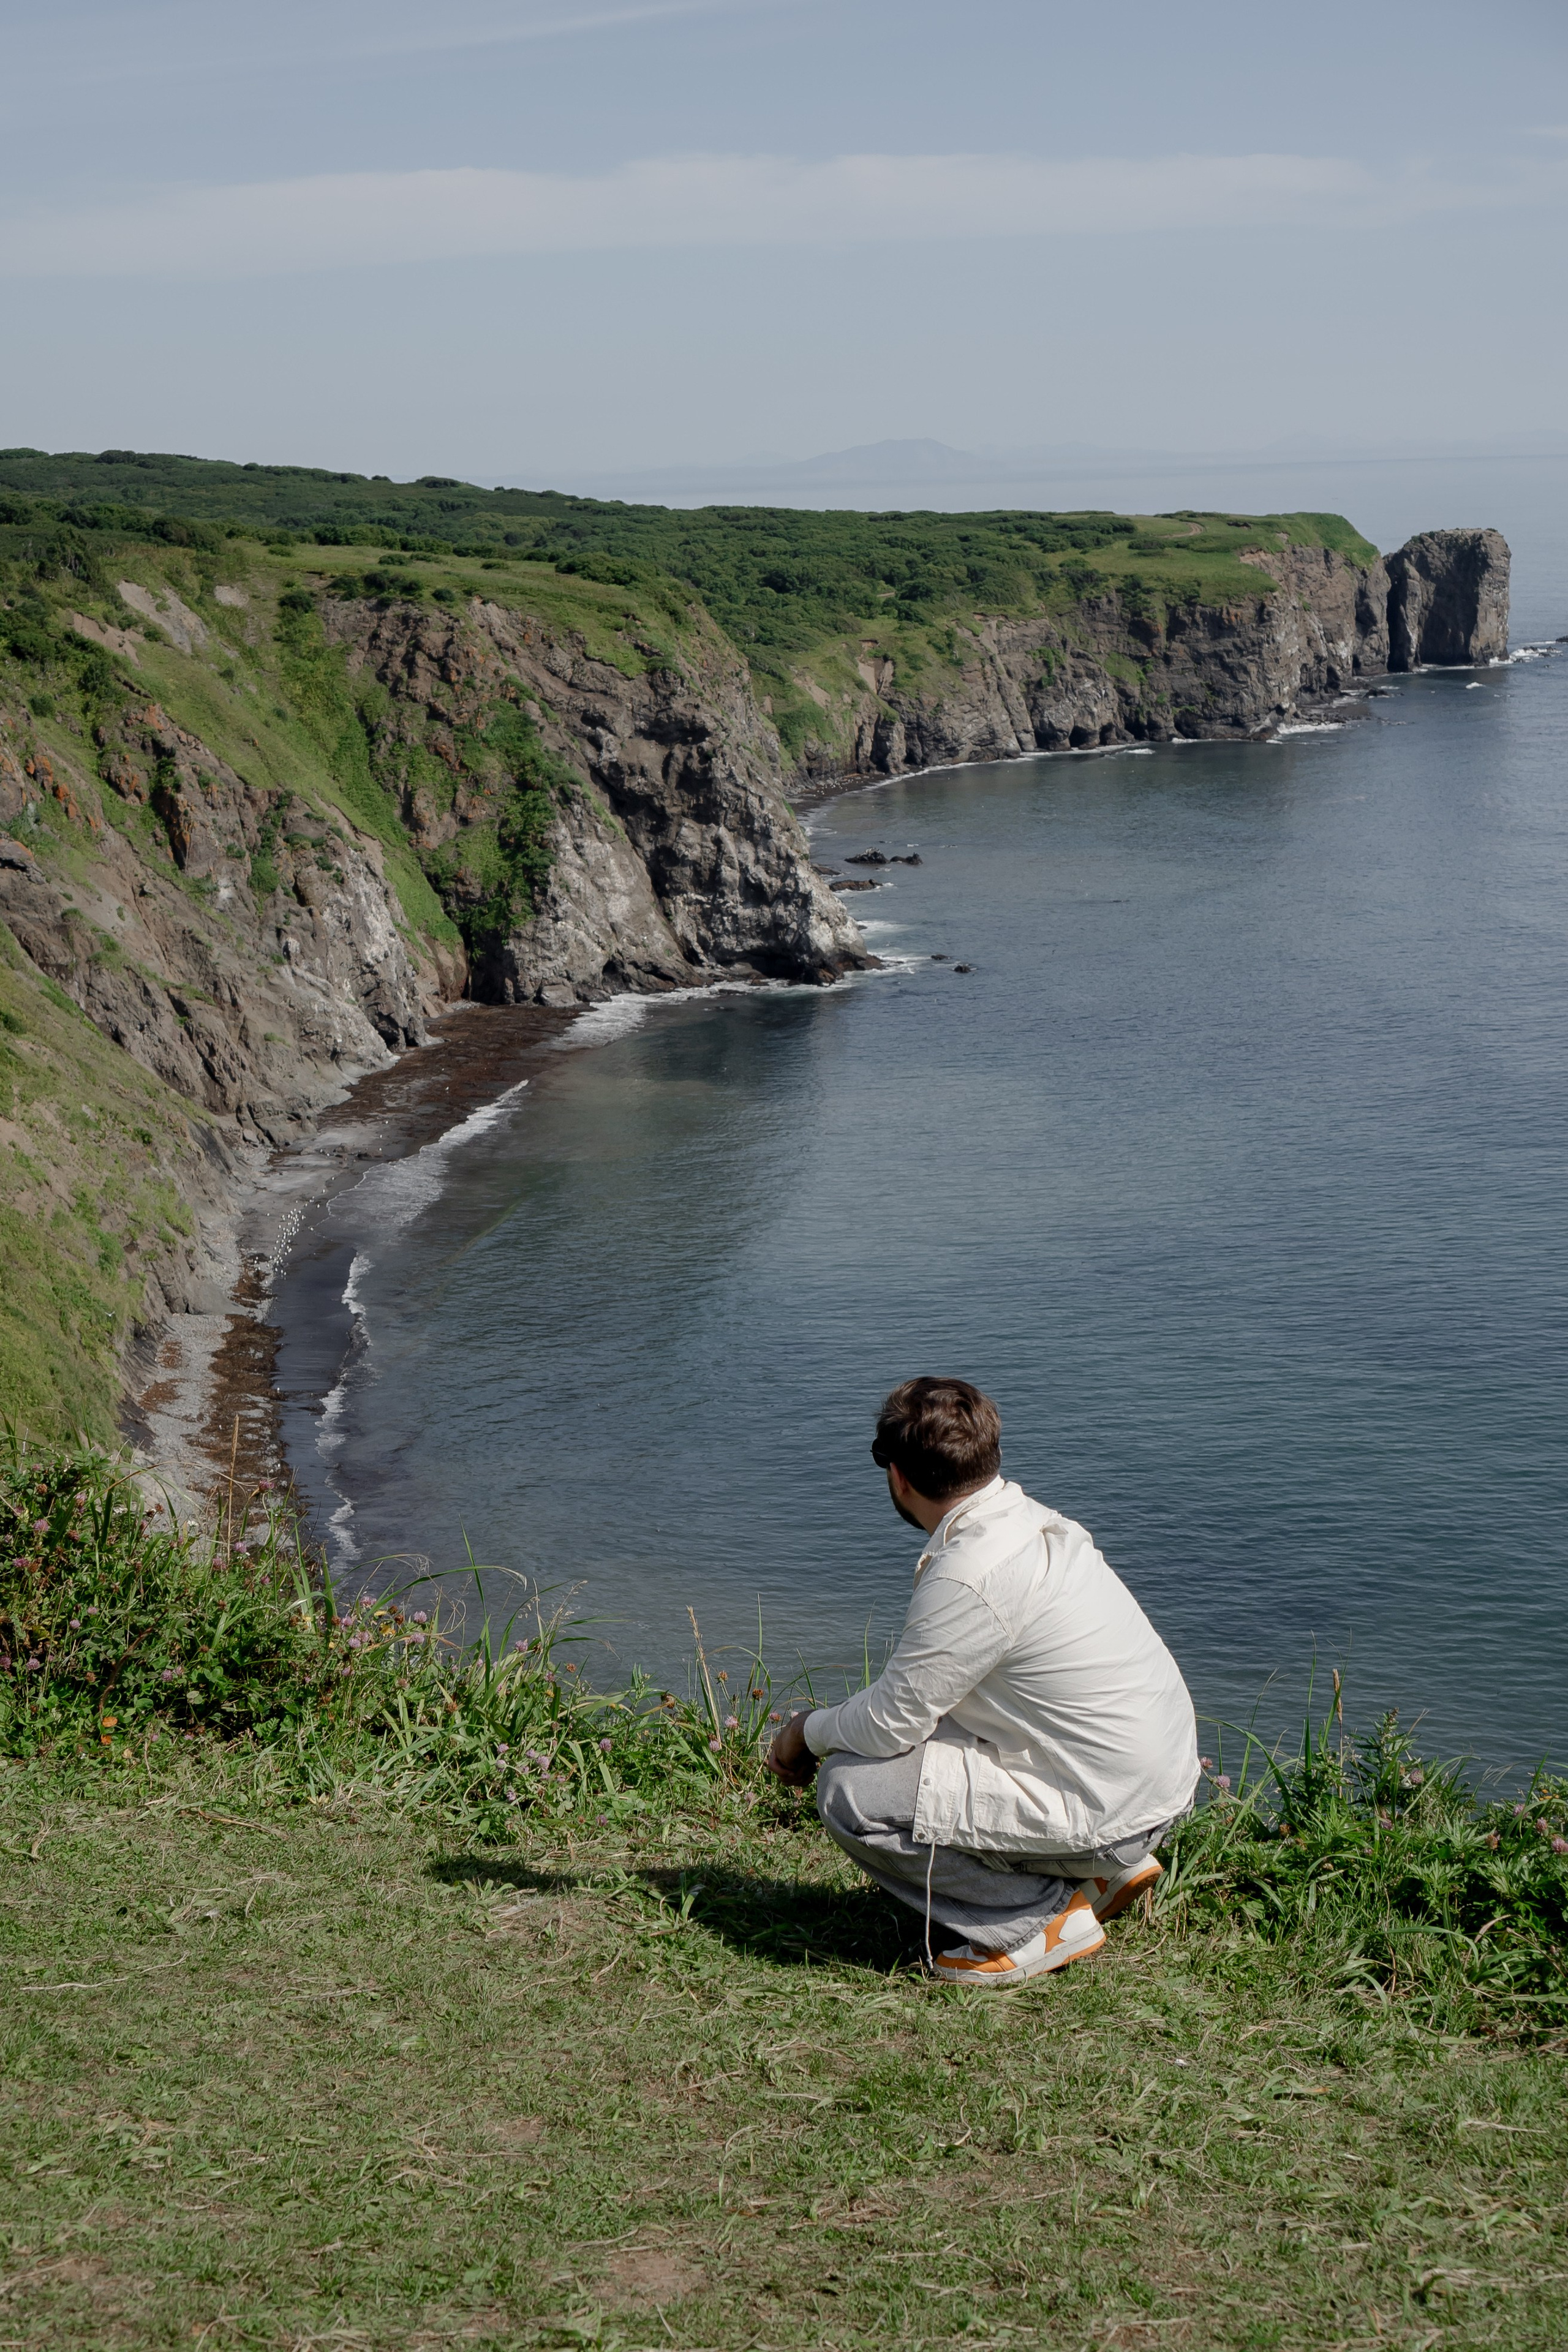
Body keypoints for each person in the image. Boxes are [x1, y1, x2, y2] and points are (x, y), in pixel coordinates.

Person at [766, 1376, 1200, 1990]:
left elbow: (891, 1722)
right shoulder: (1034, 1523)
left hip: (1113, 1808)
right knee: (931, 1734)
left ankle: (1033, 1922)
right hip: (1151, 1785)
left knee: (850, 1789)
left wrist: (802, 1733)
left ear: (897, 1477)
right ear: (989, 1455)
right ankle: (1096, 1875)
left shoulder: (970, 1574)